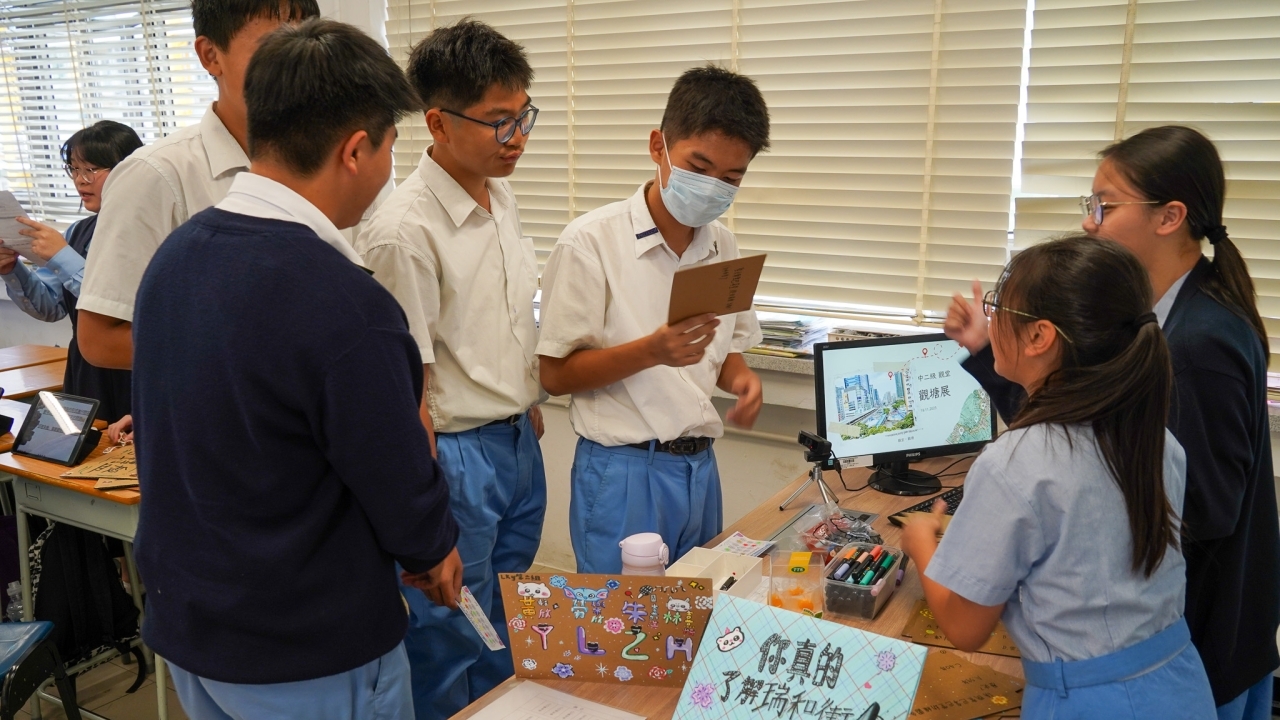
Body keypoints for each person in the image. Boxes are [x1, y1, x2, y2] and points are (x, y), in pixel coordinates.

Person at [130, 19, 461, 719]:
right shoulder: (344, 303)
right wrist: (433, 547)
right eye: (391, 146)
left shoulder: (176, 258)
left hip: (195, 630)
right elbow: (396, 477)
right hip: (307, 651)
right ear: (355, 150)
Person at [946, 126, 1279, 719]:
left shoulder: (1199, 342)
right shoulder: (1152, 320)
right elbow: (1081, 423)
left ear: (1169, 216)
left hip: (1184, 643)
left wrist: (1047, 527)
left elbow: (1204, 509)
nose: (1089, 222)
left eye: (1105, 206)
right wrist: (990, 349)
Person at [903, 236, 1215, 718]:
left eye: (998, 307)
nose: (991, 318)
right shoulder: (1154, 438)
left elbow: (965, 628)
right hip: (1178, 684)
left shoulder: (1013, 463)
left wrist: (922, 541)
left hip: (1089, 702)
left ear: (1039, 336)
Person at [353, 19, 546, 719]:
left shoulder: (499, 195)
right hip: (457, 456)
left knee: (507, 617)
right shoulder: (403, 231)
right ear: (436, 122)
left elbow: (501, 317)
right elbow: (406, 384)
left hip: (516, 439)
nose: (517, 136)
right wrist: (423, 500)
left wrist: (525, 400)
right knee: (448, 627)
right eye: (499, 121)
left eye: (524, 115)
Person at [536, 65, 768, 573]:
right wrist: (651, 351)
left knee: (699, 606)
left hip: (699, 467)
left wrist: (742, 381)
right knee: (623, 618)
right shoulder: (591, 242)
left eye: (731, 179)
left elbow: (723, 349)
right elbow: (554, 375)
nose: (712, 188)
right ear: (658, 146)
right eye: (699, 167)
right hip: (623, 470)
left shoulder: (722, 244)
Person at [75, 0, 320, 372]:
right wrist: (263, 355)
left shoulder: (336, 160)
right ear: (211, 56)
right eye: (275, 47)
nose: (300, 68)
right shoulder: (157, 173)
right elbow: (101, 340)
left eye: (310, 46)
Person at [0, 121, 141, 422]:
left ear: (129, 170)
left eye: (91, 169)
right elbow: (50, 307)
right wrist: (12, 270)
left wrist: (62, 257)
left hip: (132, 366)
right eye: (74, 169)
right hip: (85, 368)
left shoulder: (148, 231)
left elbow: (122, 307)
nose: (80, 181)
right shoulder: (79, 231)